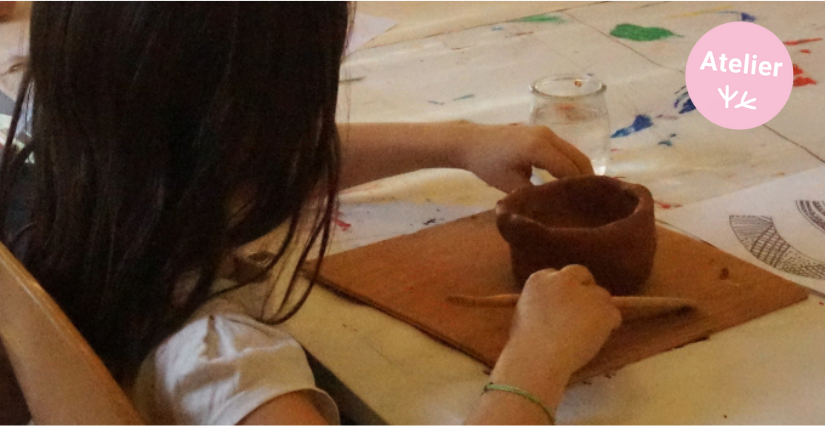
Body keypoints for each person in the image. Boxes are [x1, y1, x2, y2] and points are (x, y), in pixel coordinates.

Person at [0, 3, 620, 424]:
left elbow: (232, 162)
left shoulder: (60, 154)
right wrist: (537, 362)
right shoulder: (221, 367)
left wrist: (455, 141)